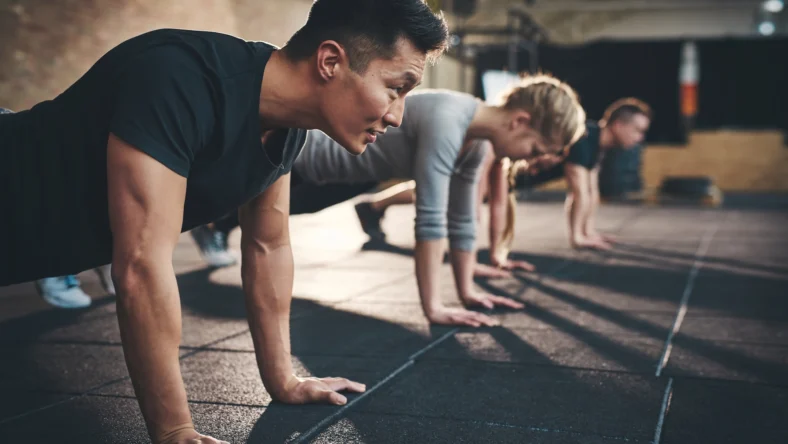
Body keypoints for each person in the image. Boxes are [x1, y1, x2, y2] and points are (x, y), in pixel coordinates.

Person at [0, 0, 449, 442]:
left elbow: (268, 246)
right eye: (396, 87)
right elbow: (140, 263)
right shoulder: (179, 77)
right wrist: (176, 430)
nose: (397, 116)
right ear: (330, 61)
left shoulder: (287, 129)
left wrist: (284, 381)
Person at [193, 73, 588, 328]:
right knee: (233, 208)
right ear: (519, 122)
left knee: (295, 210)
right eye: (536, 149)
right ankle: (204, 219)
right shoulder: (449, 118)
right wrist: (433, 308)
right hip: (303, 158)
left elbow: (464, 218)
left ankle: (215, 222)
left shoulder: (481, 144)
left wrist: (467, 291)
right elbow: (431, 218)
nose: (531, 160)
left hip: (350, 175)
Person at [484, 97, 653, 265]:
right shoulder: (584, 136)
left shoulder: (597, 144)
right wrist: (578, 238)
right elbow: (579, 193)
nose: (639, 138)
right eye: (637, 130)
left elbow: (592, 192)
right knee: (480, 200)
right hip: (510, 170)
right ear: (618, 125)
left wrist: (589, 232)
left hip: (513, 175)